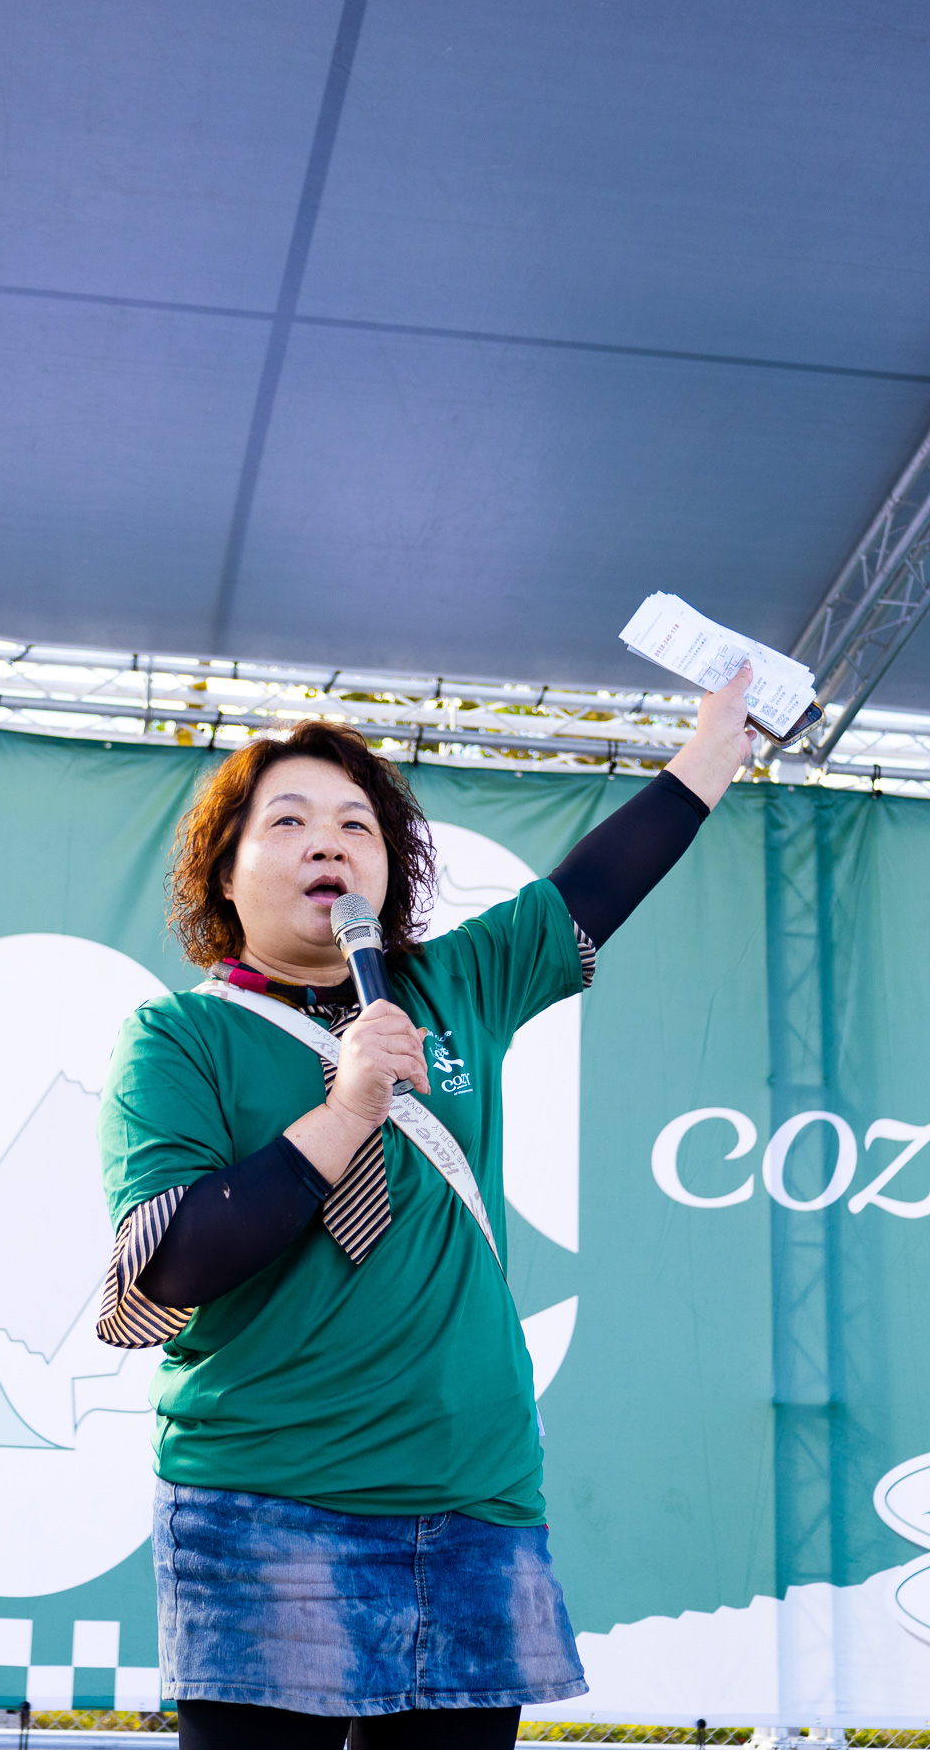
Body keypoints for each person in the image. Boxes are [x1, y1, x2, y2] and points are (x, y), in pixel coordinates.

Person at [97, 664, 756, 1749]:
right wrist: (348, 1106)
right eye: (289, 821)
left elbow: (596, 885)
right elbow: (172, 1265)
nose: (329, 842)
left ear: (388, 873)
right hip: (266, 1502)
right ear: (224, 874)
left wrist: (718, 745)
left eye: (356, 826)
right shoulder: (177, 1037)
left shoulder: (456, 985)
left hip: (474, 1503)